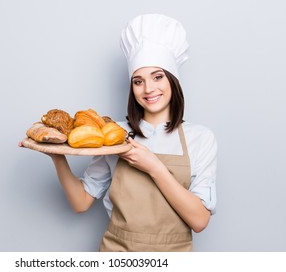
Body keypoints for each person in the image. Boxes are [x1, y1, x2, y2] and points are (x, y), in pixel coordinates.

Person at [47, 14, 217, 251]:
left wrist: (154, 167)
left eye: (158, 77)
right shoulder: (114, 134)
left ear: (173, 81)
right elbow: (80, 202)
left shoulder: (200, 138)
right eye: (138, 81)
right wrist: (57, 155)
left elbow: (199, 220)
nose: (149, 89)